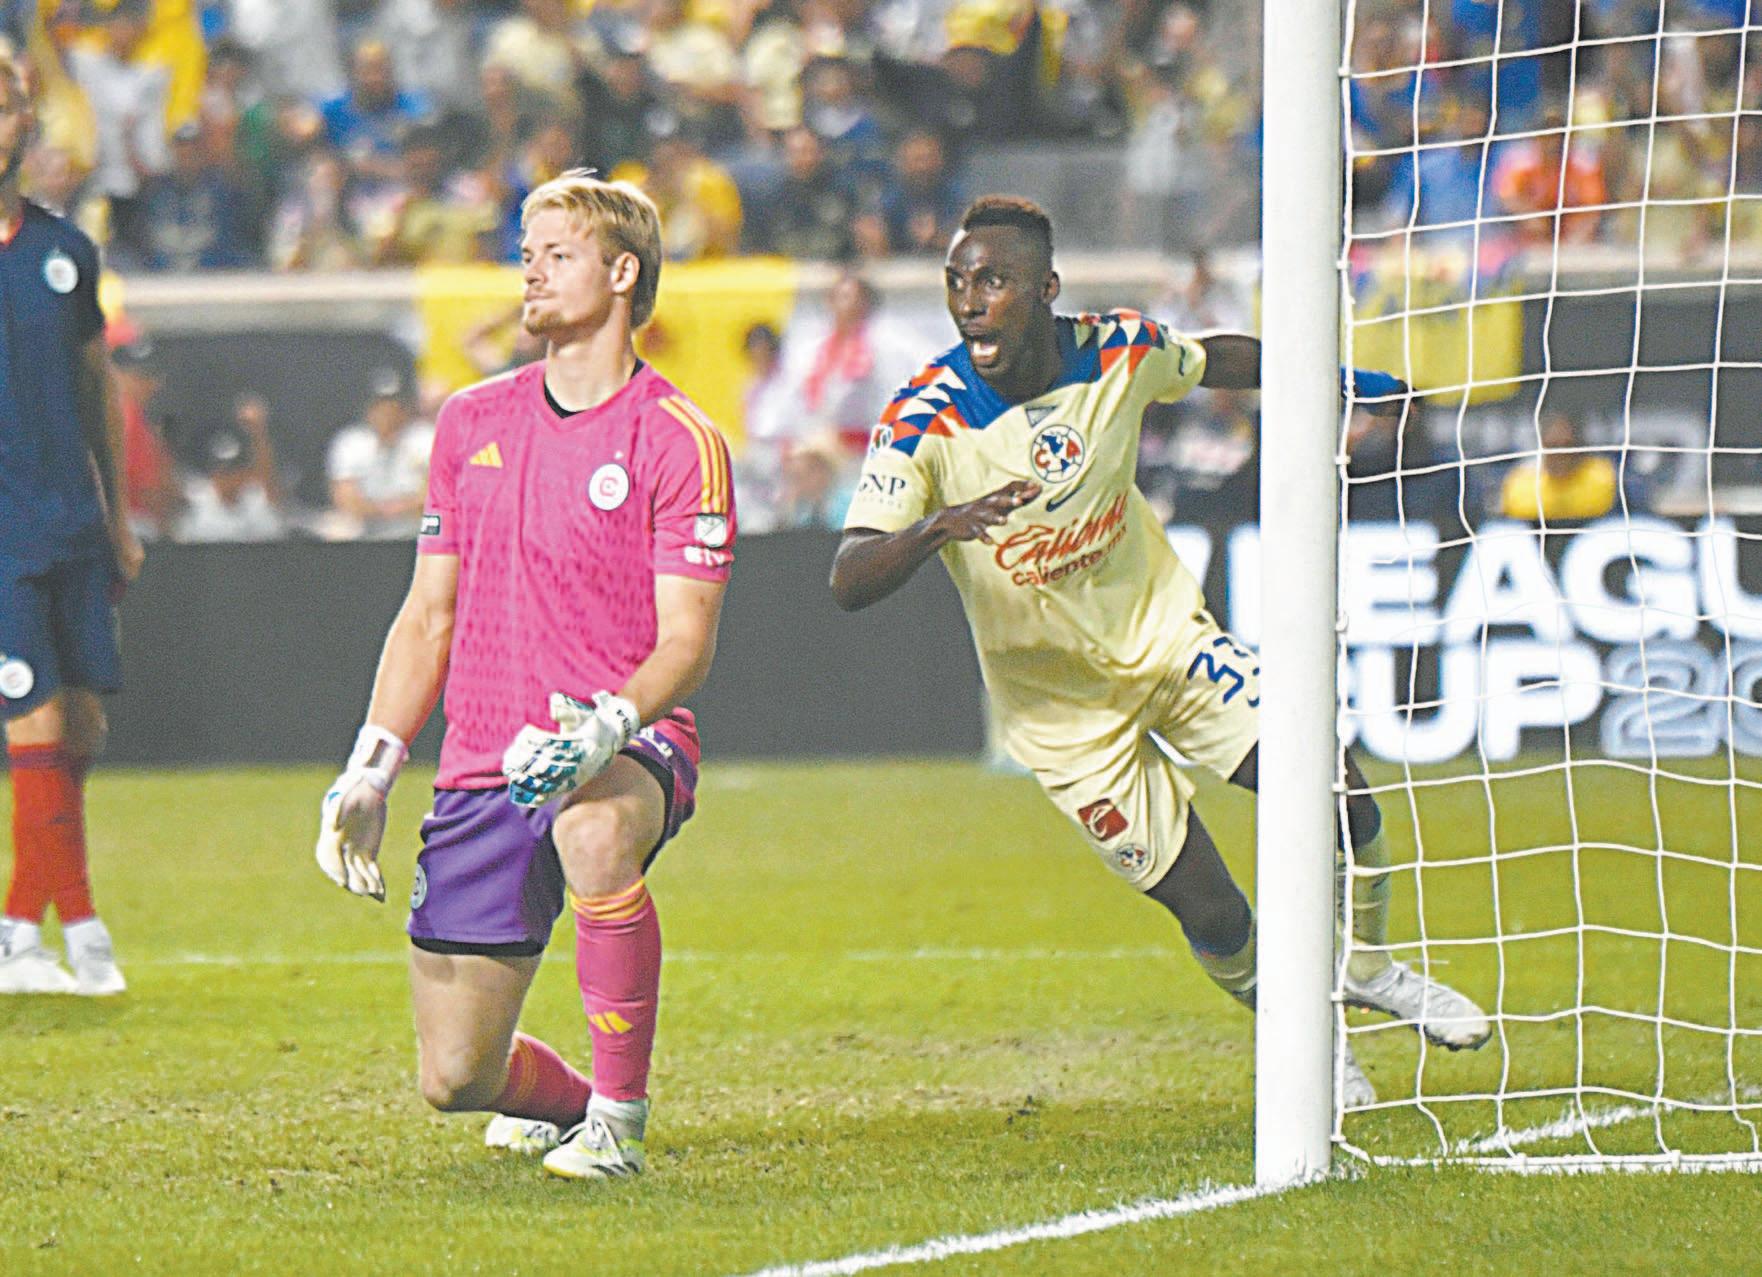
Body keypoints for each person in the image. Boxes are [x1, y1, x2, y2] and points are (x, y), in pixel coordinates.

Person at [829, 195, 1492, 1106]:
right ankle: (1309, 1038)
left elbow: (1216, 358)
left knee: (1335, 782)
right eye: (958, 282)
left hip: (1170, 645)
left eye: (993, 281)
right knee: (1212, 908)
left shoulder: (1120, 350)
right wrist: (937, 526)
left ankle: (1371, 965)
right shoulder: (923, 419)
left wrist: (1338, 378)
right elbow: (849, 575)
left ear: (1046, 289)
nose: (970, 301)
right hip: (1064, 719)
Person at [313, 171, 736, 1182]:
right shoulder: (470, 421)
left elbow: (687, 641)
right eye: (526, 253)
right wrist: (371, 767)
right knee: (456, 1075)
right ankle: (576, 1106)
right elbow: (429, 614)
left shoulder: (678, 438)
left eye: (557, 253)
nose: (530, 272)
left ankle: (620, 1120)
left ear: (622, 273)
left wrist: (606, 726)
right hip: (485, 756)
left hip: (627, 734)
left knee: (593, 828)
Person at [0, 54, 142, 996]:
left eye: (6, 104)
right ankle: (78, 928)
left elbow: (96, 386)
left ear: (27, 119)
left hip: (72, 520)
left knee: (82, 722)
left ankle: (21, 924)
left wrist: (118, 516)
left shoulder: (65, 251)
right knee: (38, 712)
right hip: (3, 533)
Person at [323, 367, 435, 538]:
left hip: (416, 527)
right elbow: (346, 499)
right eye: (380, 406)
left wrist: (402, 507)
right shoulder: (350, 442)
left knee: (441, 522)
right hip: (367, 527)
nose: (387, 413)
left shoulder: (426, 437)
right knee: (337, 529)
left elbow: (438, 494)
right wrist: (386, 509)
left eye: (394, 405)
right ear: (369, 409)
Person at [1500, 412, 1618, 524]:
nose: (1560, 454)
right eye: (1553, 446)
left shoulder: (1601, 476)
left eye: (1567, 445)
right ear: (1542, 446)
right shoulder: (1521, 481)